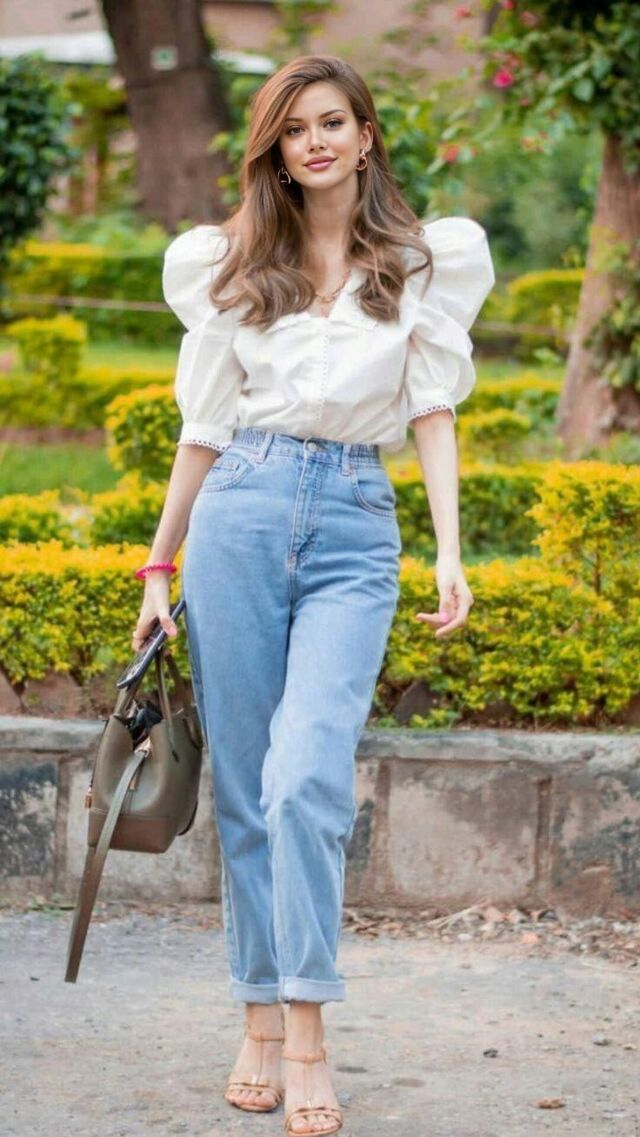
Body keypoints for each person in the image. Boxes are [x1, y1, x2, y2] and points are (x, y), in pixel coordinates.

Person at [132, 53, 494, 1137]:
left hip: (354, 522)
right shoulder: (234, 263)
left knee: (305, 778)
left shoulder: (420, 263)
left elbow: (431, 411)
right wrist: (159, 567)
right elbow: (204, 427)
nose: (315, 142)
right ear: (276, 151)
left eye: (332, 122)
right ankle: (259, 1017)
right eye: (294, 130)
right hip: (239, 511)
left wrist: (449, 550)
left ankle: (308, 1031)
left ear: (365, 135)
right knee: (247, 786)